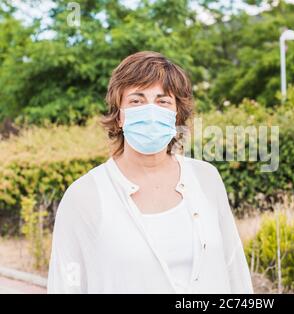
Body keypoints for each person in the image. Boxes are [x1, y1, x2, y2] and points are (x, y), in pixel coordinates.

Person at [47, 51, 254, 294]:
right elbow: (66, 285)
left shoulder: (206, 178)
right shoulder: (85, 195)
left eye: (163, 101)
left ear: (176, 113)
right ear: (119, 114)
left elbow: (234, 267)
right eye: (137, 100)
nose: (150, 111)